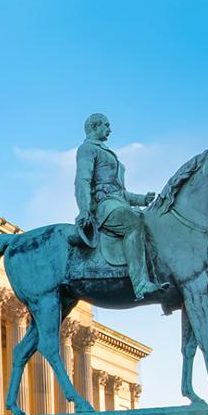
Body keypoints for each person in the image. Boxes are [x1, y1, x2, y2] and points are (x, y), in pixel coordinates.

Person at [74, 112, 165, 300]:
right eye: (106, 126)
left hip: (116, 202)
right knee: (133, 224)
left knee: (150, 222)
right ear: (94, 127)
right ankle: (140, 285)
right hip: (104, 207)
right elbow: (82, 181)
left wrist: (142, 199)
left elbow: (120, 191)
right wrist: (84, 209)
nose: (109, 129)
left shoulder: (105, 150)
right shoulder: (88, 148)